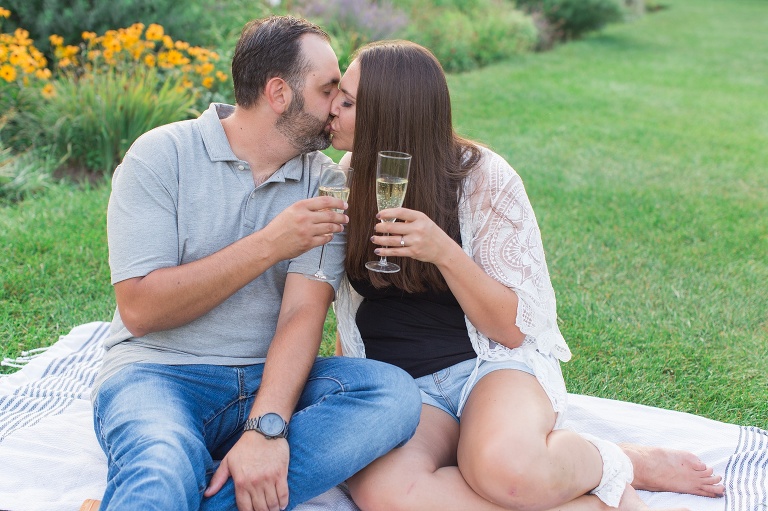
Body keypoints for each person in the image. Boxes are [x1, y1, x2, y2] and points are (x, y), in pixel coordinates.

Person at [329, 40, 725, 511]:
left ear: (389, 113)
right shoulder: (345, 178)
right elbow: (350, 316)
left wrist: (444, 253)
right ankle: (592, 498)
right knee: (386, 494)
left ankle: (611, 460)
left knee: (505, 472)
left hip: (487, 367)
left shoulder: (482, 179)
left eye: (347, 100)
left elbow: (514, 329)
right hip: (405, 388)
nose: (332, 108)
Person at [93, 17, 422, 511]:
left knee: (391, 394)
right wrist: (270, 244)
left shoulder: (325, 181)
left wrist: (266, 429)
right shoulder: (161, 156)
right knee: (159, 466)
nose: (339, 105)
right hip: (158, 374)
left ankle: (193, 496)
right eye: (328, 88)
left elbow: (301, 315)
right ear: (278, 92)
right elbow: (140, 308)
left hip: (273, 379)